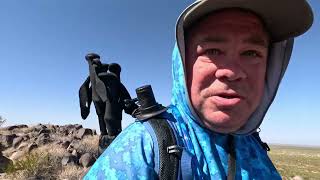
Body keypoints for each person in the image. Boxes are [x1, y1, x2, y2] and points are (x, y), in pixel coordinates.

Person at [84, 0, 314, 179]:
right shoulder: (143, 150)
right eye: (212, 50)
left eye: (251, 53)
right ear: (182, 64)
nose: (232, 72)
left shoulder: (254, 146)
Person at [79, 54, 136, 152]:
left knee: (107, 118)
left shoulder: (112, 82)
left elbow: (127, 103)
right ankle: (107, 136)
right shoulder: (99, 84)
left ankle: (107, 136)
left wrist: (132, 108)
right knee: (105, 118)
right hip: (109, 134)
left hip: (113, 130)